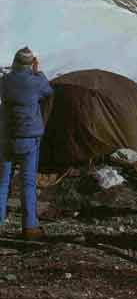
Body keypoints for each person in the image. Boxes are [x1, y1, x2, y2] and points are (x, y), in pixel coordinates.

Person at [0, 47, 53, 240]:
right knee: (28, 183)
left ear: (14, 62)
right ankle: (30, 228)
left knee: (2, 182)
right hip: (29, 139)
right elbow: (48, 91)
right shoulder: (35, 82)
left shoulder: (5, 81)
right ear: (30, 64)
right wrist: (38, 71)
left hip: (6, 137)